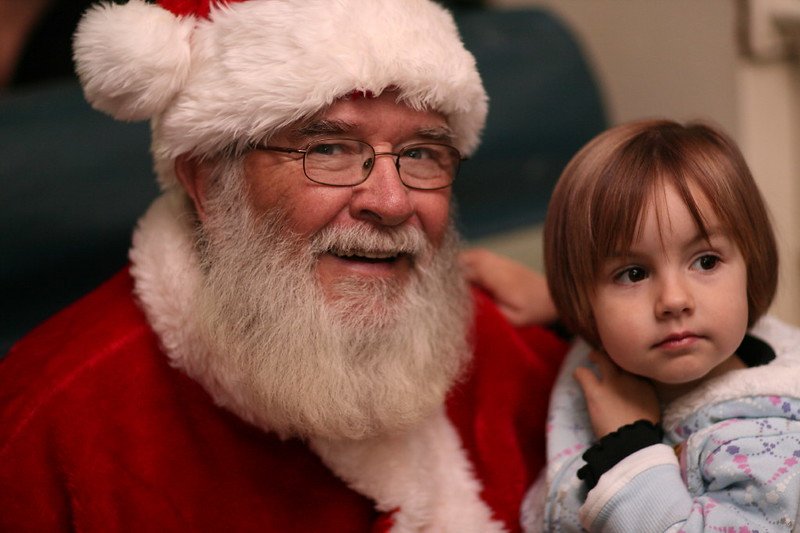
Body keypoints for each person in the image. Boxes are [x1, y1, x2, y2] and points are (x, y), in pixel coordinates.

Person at [0, 1, 567, 531]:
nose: (392, 203)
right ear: (208, 184)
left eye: (421, 154)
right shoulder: (49, 426)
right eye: (327, 150)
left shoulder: (498, 339)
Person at [468, 119, 800, 531]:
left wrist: (631, 450)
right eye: (633, 273)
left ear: (752, 267)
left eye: (706, 262)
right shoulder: (619, 348)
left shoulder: (771, 442)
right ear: (584, 300)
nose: (674, 300)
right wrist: (553, 304)